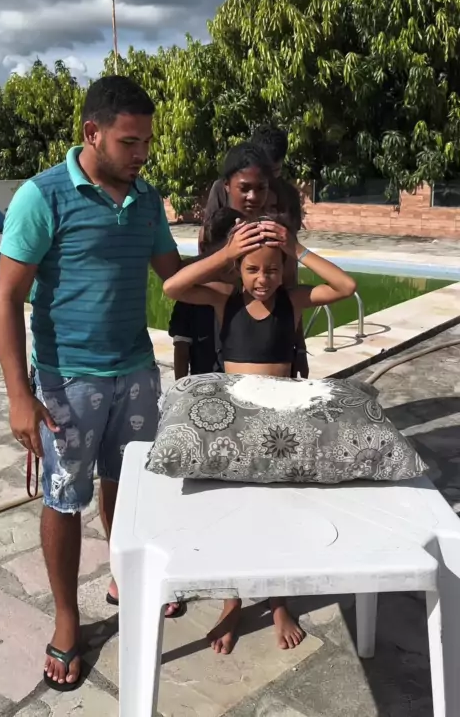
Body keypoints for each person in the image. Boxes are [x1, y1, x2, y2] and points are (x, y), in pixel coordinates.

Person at [0, 76, 184, 692]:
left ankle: (124, 575)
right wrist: (19, 395)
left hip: (136, 371)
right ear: (92, 133)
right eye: (130, 142)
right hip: (67, 380)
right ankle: (67, 617)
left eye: (146, 142)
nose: (141, 154)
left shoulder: (146, 199)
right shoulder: (42, 196)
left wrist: (244, 268)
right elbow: (7, 297)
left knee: (127, 484)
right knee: (63, 498)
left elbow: (173, 277)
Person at [163, 216, 356, 655]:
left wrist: (297, 249)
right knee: (232, 515)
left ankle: (278, 601)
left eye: (272, 269)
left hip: (281, 427)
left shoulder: (293, 300)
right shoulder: (224, 299)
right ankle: (232, 602)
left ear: (283, 268)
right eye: (252, 269)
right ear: (238, 269)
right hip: (236, 425)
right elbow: (172, 287)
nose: (263, 279)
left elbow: (346, 287)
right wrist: (226, 254)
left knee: (279, 514)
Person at [204, 130, 309, 378]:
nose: (255, 196)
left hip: (272, 330)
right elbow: (203, 266)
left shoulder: (285, 200)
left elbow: (290, 281)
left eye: (265, 183)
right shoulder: (220, 194)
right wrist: (229, 253)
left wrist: (299, 347)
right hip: (223, 318)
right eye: (245, 187)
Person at [169, 208, 243, 379]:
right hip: (204, 381)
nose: (232, 264)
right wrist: (180, 386)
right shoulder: (192, 294)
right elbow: (181, 348)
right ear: (206, 250)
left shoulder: (253, 290)